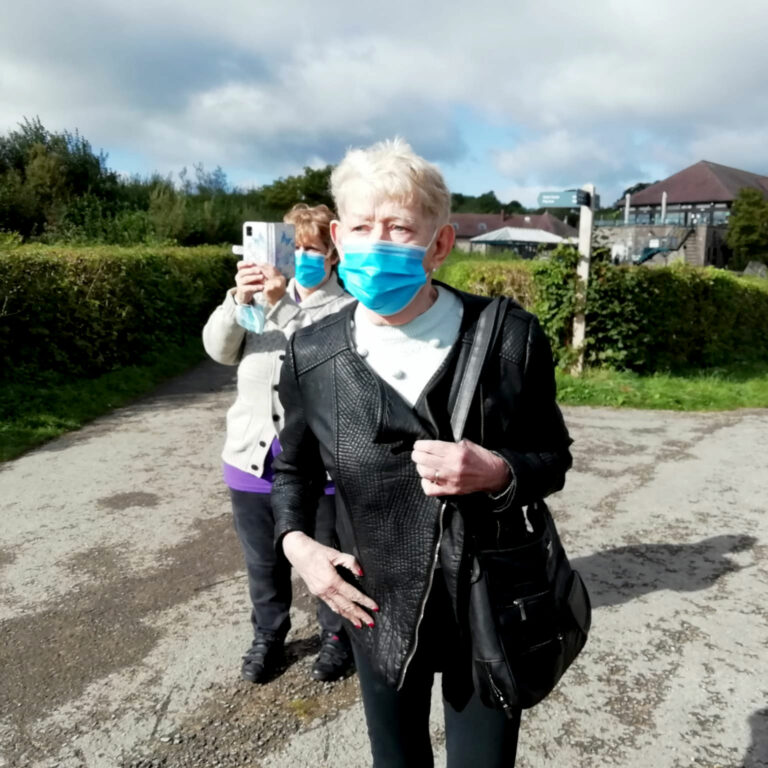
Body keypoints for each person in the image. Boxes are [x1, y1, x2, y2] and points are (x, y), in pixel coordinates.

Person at [271, 139, 573, 766]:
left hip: (486, 605)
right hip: (373, 608)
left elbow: (552, 455)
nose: (376, 244)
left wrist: (499, 471)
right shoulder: (311, 354)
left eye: (400, 228)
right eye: (361, 227)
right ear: (337, 236)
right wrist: (299, 546)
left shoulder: (509, 338)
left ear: (440, 244)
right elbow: (292, 469)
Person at [203, 203, 354, 684]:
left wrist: (279, 307)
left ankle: (338, 634)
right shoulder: (258, 300)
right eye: (295, 249)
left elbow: (326, 362)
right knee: (263, 562)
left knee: (329, 553)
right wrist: (238, 299)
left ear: (333, 255)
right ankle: (268, 635)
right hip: (251, 458)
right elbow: (218, 350)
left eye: (314, 249)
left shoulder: (348, 308)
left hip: (320, 463)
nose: (303, 258)